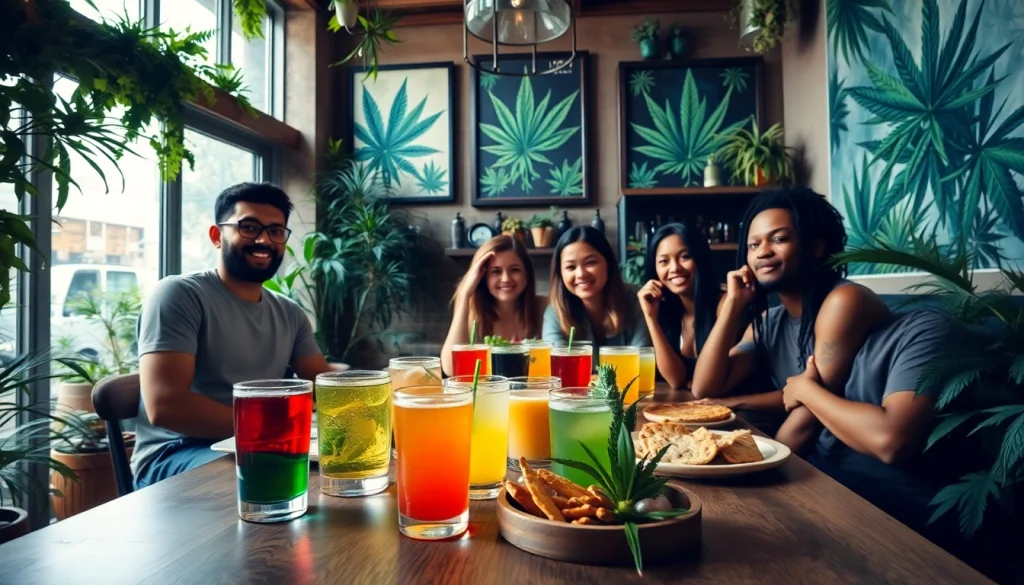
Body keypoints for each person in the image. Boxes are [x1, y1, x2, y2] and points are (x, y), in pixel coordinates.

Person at [132, 182, 332, 488]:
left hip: (259, 448)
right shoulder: (180, 295)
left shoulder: (289, 313)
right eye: (249, 227)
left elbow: (325, 388)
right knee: (276, 477)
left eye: (276, 231)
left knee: (341, 471)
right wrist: (272, 430)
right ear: (217, 236)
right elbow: (165, 406)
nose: (264, 239)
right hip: (177, 454)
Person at [691, 187, 890, 447]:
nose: (763, 252)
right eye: (754, 245)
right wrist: (732, 304)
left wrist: (764, 471)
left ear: (816, 247)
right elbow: (705, 388)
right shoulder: (768, 322)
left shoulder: (844, 301)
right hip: (821, 459)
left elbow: (810, 410)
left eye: (779, 239)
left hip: (854, 470)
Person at [781, 309, 955, 544]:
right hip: (820, 472)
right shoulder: (819, 342)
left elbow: (890, 442)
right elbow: (785, 441)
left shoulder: (926, 328)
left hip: (895, 502)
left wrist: (805, 390)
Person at [441, 235, 546, 376]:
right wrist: (464, 295)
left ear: (526, 274)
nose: (506, 279)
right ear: (482, 278)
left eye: (515, 270)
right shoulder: (472, 313)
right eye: (496, 271)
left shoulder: (544, 307)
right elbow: (451, 369)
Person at [637, 223, 722, 390]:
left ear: (700, 258)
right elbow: (676, 380)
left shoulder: (724, 304)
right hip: (686, 408)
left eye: (685, 256)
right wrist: (650, 317)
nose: (674, 268)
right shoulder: (666, 310)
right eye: (664, 261)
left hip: (732, 410)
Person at [542, 226, 651, 349]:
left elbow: (642, 359)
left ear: (608, 263)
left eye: (590, 263)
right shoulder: (556, 312)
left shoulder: (636, 301)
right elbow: (556, 363)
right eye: (571, 267)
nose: (581, 274)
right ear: (560, 273)